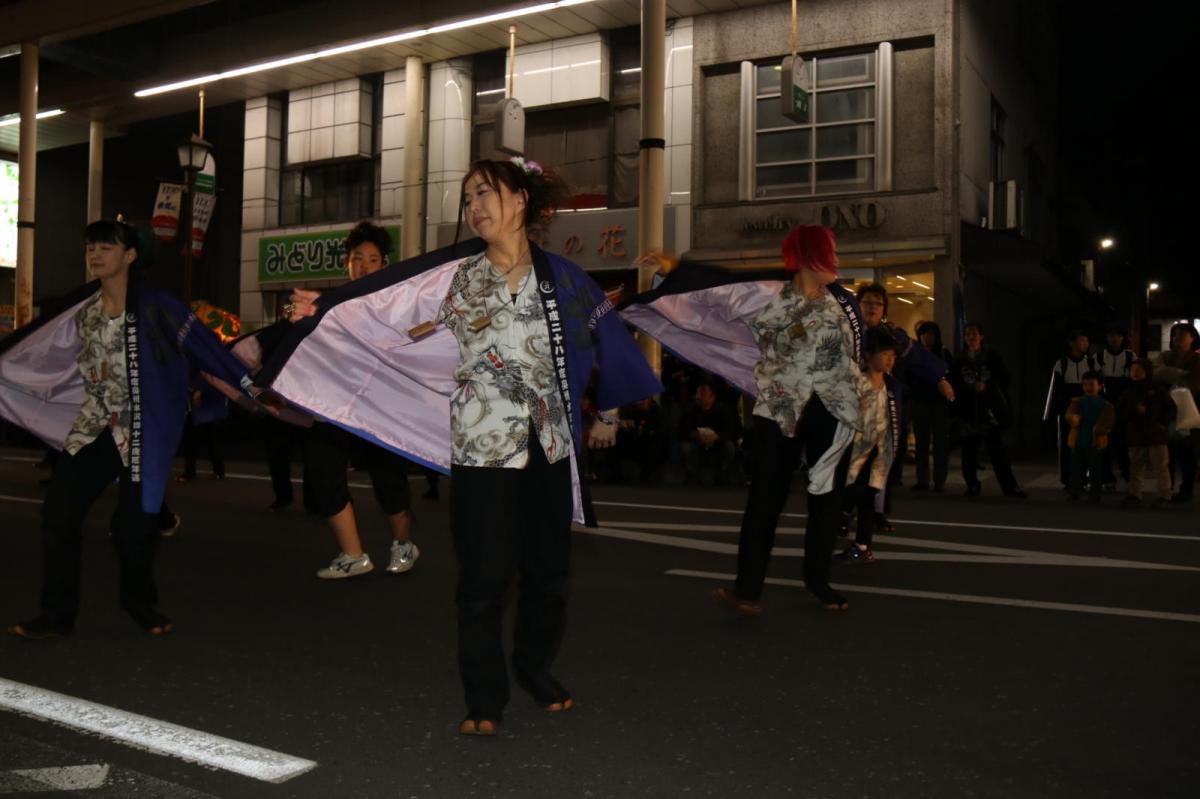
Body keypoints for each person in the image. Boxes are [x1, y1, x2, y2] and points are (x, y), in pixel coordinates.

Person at [275, 158, 661, 736]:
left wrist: (607, 410)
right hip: (482, 448)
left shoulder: (564, 278)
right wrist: (325, 313)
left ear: (522, 201)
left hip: (549, 445)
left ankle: (534, 667)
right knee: (483, 575)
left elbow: (601, 340)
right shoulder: (452, 279)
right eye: (468, 198)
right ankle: (484, 694)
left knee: (549, 573)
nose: (475, 206)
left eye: (486, 192)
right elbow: (388, 317)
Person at [0, 220, 251, 639]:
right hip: (93, 428)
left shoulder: (158, 306)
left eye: (106, 246)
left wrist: (248, 388)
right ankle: (56, 615)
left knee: (134, 529)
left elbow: (204, 348)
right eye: (90, 247)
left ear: (130, 256)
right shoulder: (82, 313)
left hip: (141, 430)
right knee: (58, 517)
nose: (95, 254)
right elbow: (51, 357)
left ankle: (140, 603)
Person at [620, 224, 864, 611]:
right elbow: (717, 288)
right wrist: (674, 267)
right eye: (825, 255)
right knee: (766, 498)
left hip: (833, 412)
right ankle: (748, 590)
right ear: (805, 259)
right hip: (781, 406)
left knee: (826, 498)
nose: (833, 263)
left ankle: (818, 582)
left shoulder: (843, 303)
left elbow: (855, 360)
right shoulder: (764, 293)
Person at [289, 222, 420, 579]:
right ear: (346, 263)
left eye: (372, 259)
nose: (363, 265)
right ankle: (353, 554)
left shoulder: (394, 303)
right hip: (335, 407)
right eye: (357, 258)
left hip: (378, 407)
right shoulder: (329, 303)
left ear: (384, 264)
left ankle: (403, 542)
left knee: (388, 479)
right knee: (322, 470)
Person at [855, 284, 953, 531]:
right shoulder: (847, 331)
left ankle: (875, 512)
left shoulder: (893, 336)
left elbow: (918, 357)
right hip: (850, 407)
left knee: (882, 460)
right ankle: (846, 511)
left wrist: (939, 378)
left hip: (883, 406)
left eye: (877, 303)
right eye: (867, 302)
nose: (872, 308)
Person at [836, 328, 901, 564]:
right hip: (855, 452)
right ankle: (860, 543)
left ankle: (858, 540)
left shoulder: (891, 387)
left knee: (867, 496)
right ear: (868, 355)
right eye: (885, 354)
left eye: (893, 355)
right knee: (858, 495)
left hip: (880, 454)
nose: (890, 359)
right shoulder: (858, 383)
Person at [949, 322, 1026, 498]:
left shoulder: (991, 356)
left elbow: (1005, 378)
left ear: (981, 336)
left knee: (997, 450)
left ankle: (1010, 487)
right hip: (968, 410)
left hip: (989, 409)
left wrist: (988, 386)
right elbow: (954, 381)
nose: (971, 337)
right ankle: (972, 485)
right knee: (969, 451)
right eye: (968, 334)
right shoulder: (960, 358)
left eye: (974, 334)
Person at [1117, 358, 1175, 507]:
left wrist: (1162, 423)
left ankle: (1164, 495)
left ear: (1147, 372)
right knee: (1135, 466)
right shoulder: (1128, 392)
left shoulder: (1158, 390)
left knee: (1160, 466)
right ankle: (1134, 494)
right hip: (1136, 434)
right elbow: (1120, 413)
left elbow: (1170, 408)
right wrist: (1134, 411)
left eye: (1139, 370)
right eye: (1132, 370)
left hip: (1156, 434)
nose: (1135, 373)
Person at [1155, 322, 1200, 503]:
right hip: (1166, 409)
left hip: (1190, 410)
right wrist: (1181, 373)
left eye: (1183, 334)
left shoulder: (1197, 359)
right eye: (1175, 334)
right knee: (1166, 453)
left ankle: (1186, 490)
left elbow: (1195, 383)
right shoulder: (1165, 356)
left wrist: (1169, 374)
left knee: (1188, 452)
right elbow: (1156, 374)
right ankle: (1167, 488)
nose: (1178, 338)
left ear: (1193, 338)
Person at [1044, 329, 1094, 488]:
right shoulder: (1061, 363)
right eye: (1081, 340)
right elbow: (1055, 390)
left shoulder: (1092, 362)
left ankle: (1084, 477)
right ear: (1072, 343)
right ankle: (1068, 478)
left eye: (1087, 341)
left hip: (1086, 407)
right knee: (1067, 445)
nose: (1085, 344)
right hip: (1067, 409)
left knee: (1086, 443)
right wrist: (1054, 412)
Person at [910, 320, 952, 492]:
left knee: (940, 444)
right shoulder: (913, 354)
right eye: (923, 334)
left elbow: (951, 377)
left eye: (930, 334)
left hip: (939, 404)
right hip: (919, 402)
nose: (927, 337)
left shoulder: (943, 354)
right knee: (921, 444)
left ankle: (940, 480)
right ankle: (923, 480)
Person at [678, 380, 741, 485]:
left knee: (729, 446)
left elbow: (731, 431)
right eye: (698, 393)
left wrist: (717, 436)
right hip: (698, 442)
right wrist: (695, 435)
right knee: (685, 447)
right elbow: (682, 430)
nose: (699, 396)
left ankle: (722, 472)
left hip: (717, 442)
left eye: (702, 393)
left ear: (712, 397)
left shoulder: (723, 410)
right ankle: (692, 474)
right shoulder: (691, 410)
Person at [1065, 371, 1115, 502]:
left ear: (1100, 386)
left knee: (1095, 469)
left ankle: (1094, 492)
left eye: (1091, 384)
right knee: (1076, 468)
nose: (1087, 387)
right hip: (1079, 439)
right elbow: (1068, 414)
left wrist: (1101, 429)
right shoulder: (1077, 401)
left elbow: (1109, 422)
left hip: (1094, 440)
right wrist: (1073, 418)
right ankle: (1075, 490)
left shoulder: (1105, 405)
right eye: (1085, 384)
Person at [1096, 326, 1136, 489]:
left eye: (1118, 335)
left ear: (1122, 338)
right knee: (1104, 442)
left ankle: (1128, 477)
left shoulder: (1129, 356)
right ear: (1107, 337)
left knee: (1122, 443)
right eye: (1111, 335)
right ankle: (1107, 478)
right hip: (1104, 403)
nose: (1114, 339)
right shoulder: (1098, 356)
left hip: (1122, 403)